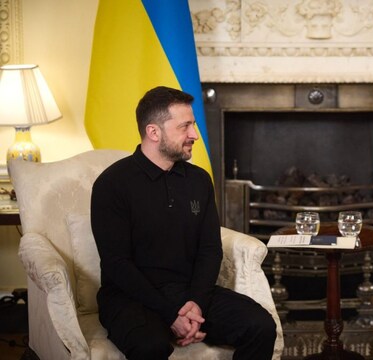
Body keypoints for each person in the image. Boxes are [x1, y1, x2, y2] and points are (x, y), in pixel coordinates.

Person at [91, 86, 277, 360]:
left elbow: (210, 250)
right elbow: (116, 264)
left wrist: (196, 305)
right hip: (131, 296)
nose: (195, 135)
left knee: (261, 326)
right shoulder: (112, 184)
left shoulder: (199, 180)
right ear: (154, 132)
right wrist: (171, 315)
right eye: (185, 126)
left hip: (190, 292)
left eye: (194, 125)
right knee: (150, 346)